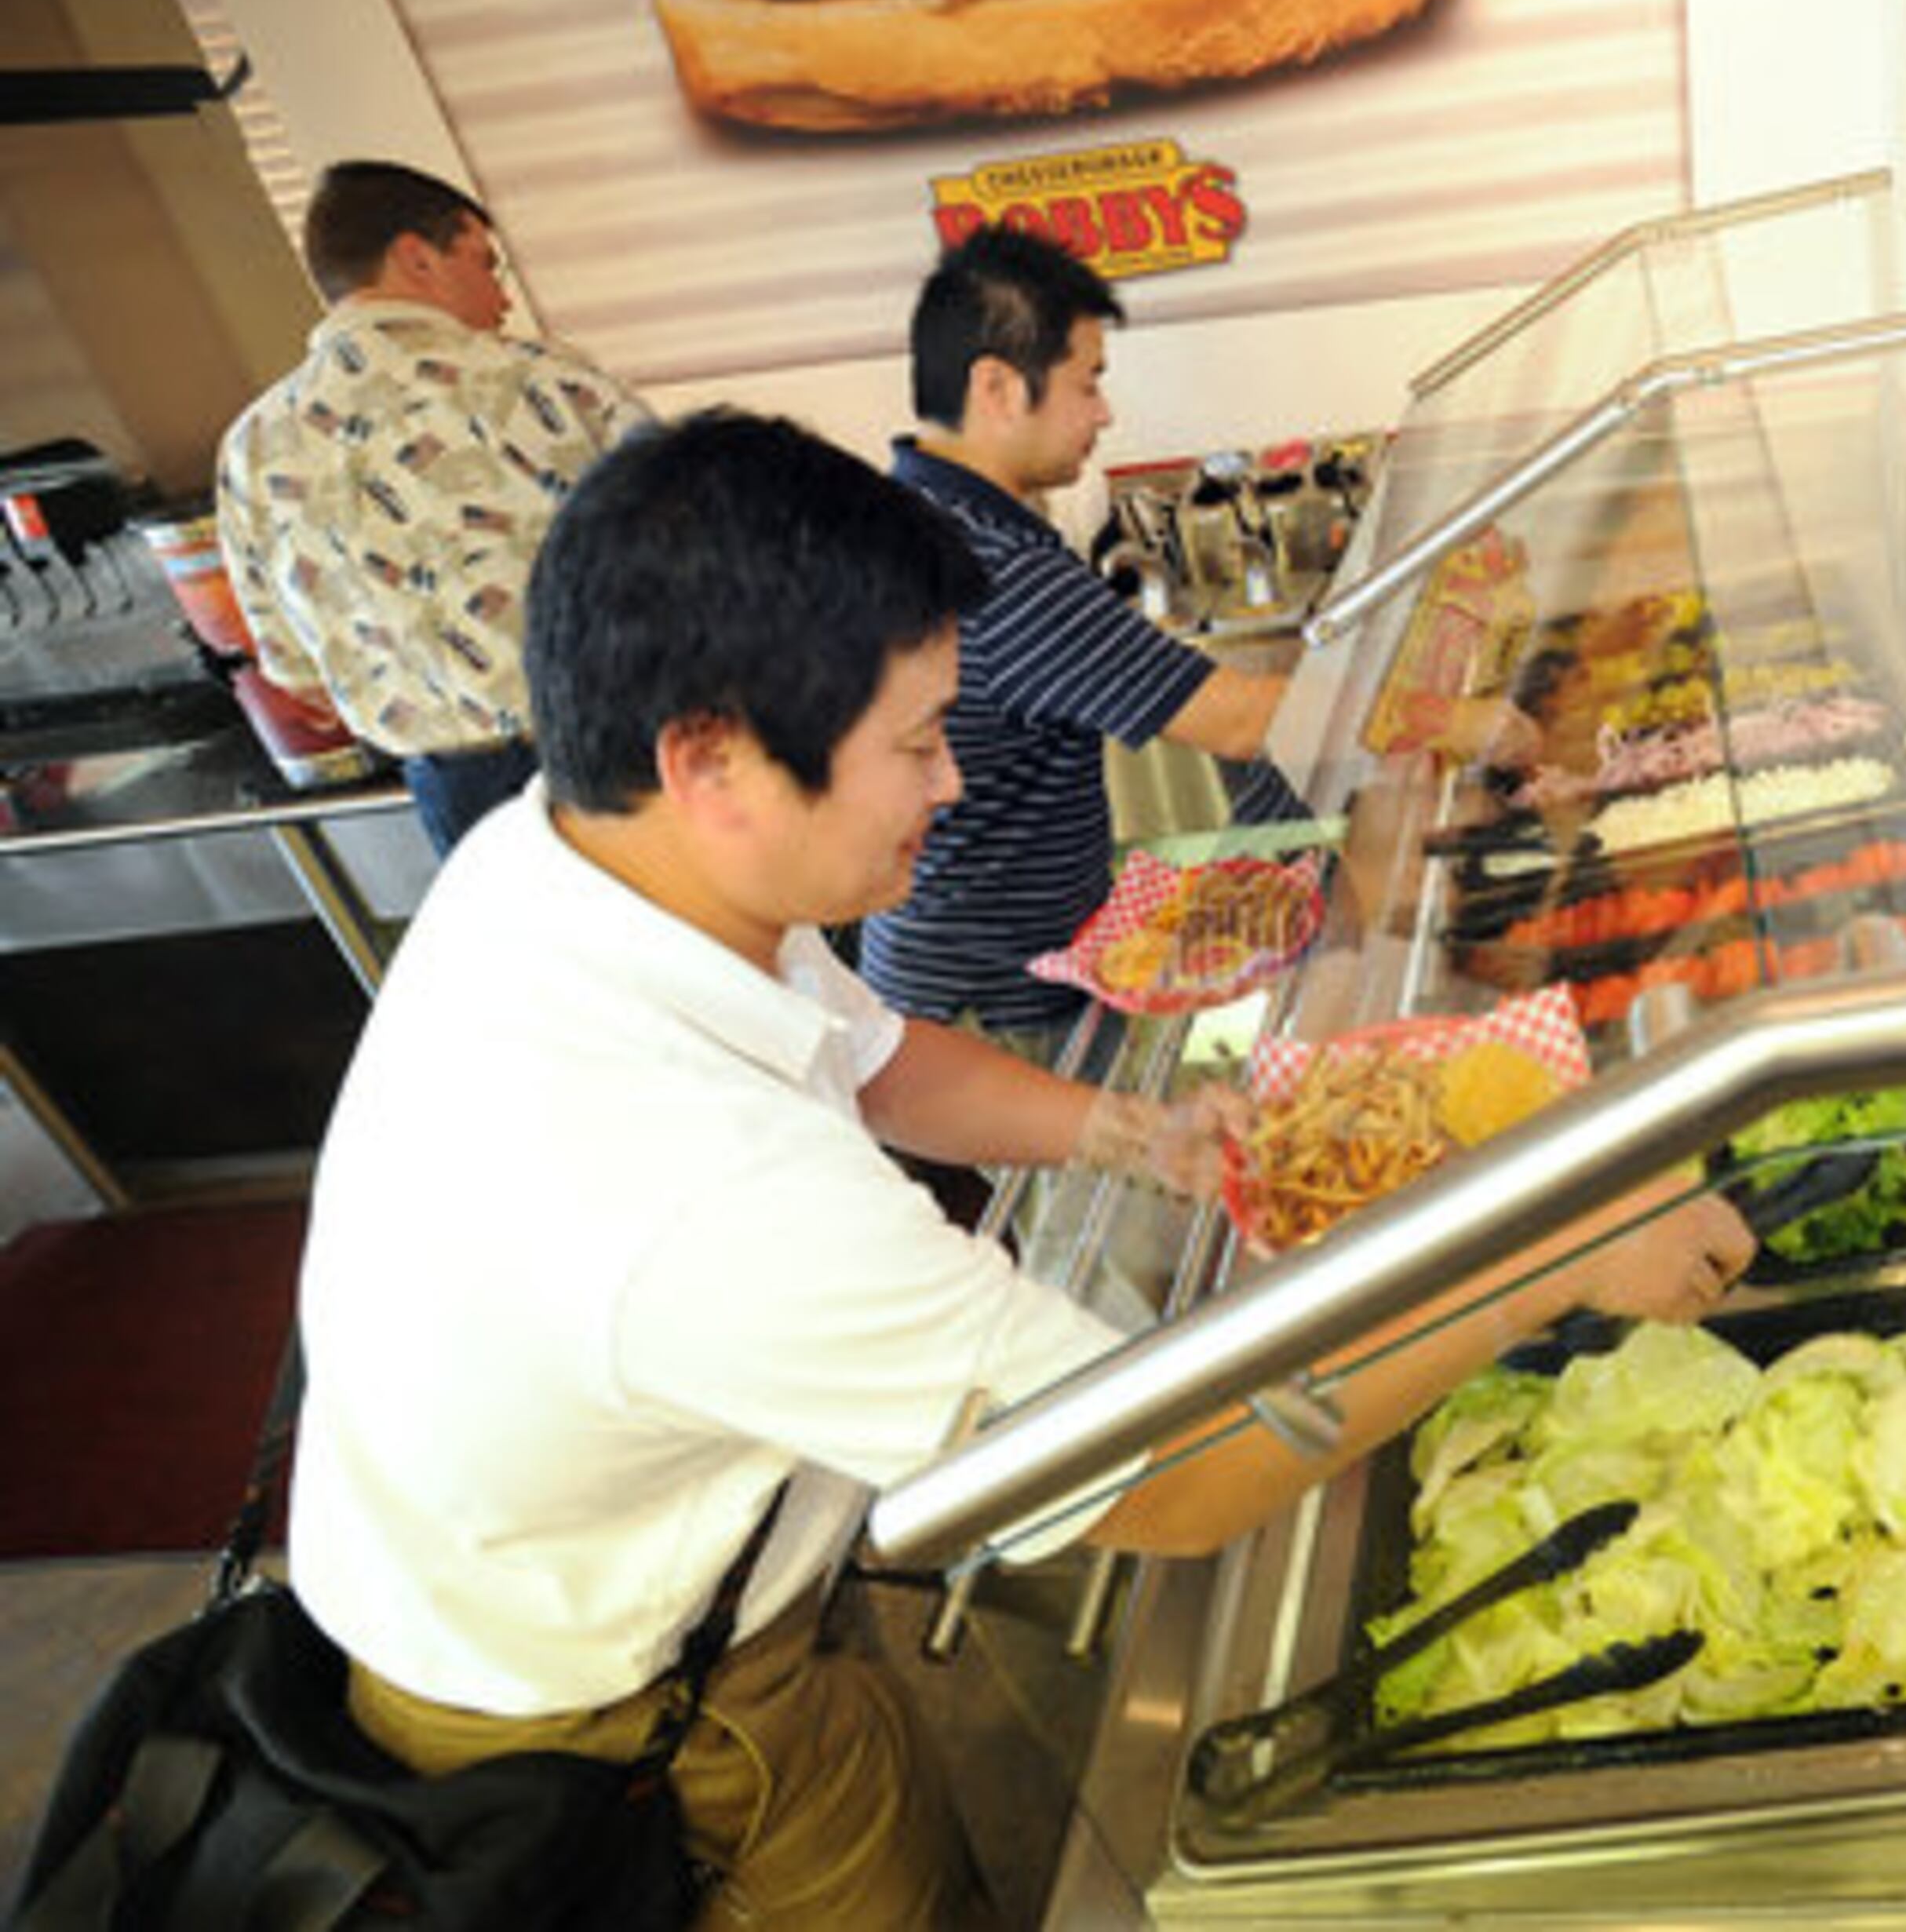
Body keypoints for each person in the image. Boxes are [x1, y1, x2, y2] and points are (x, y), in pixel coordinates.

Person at [286, 408, 1752, 1929]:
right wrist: (1553, 1262)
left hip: (606, 1571)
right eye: (916, 745)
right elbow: (1168, 1475)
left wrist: (1132, 1132)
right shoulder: (701, 1190)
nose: (954, 784)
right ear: (712, 761)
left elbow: (877, 1055)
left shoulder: (576, 856)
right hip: (604, 1715)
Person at [858, 222, 1528, 1048]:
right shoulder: (991, 564)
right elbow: (1244, 720)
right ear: (998, 387)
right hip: (994, 1005)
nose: (1104, 413)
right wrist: (1461, 721)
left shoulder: (915, 512)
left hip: (962, 968)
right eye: (1087, 382)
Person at [216, 159, 651, 855]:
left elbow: (290, 664)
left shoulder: (253, 446)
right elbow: (700, 561)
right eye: (486, 265)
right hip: (624, 756)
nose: (502, 298)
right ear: (417, 257)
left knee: (547, 967)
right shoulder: (551, 381)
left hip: (456, 798)